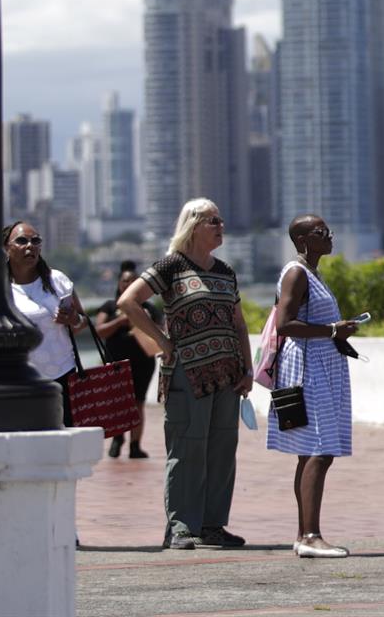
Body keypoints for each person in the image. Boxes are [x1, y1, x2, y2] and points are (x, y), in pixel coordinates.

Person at [117, 198, 254, 551]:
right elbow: (129, 302)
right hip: (187, 375)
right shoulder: (171, 266)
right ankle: (180, 526)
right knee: (186, 449)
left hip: (227, 375)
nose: (221, 226)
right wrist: (162, 340)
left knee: (222, 451)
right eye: (213, 221)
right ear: (193, 225)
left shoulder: (225, 272)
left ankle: (212, 525)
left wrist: (247, 368)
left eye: (221, 220)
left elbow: (238, 325)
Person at [268, 215, 360, 559]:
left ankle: (303, 534)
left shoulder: (313, 273)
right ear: (304, 239)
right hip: (307, 369)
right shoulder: (296, 272)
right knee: (318, 451)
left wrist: (336, 332)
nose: (330, 236)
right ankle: (310, 535)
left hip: (320, 365)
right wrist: (332, 331)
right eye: (322, 232)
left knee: (312, 452)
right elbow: (285, 324)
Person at [4, 220, 87, 427]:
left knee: (65, 442)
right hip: (19, 379)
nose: (30, 246)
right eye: (22, 241)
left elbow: (83, 321)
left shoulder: (56, 280)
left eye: (36, 241)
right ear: (7, 248)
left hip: (62, 375)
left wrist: (73, 319)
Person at [90, 260, 159, 458]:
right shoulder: (109, 306)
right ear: (119, 283)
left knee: (138, 402)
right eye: (125, 281)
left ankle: (135, 445)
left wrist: (142, 319)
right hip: (116, 361)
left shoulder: (148, 308)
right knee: (117, 402)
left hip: (143, 361)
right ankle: (117, 439)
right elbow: (99, 331)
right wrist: (121, 320)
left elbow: (160, 331)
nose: (128, 284)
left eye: (133, 281)